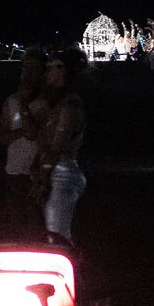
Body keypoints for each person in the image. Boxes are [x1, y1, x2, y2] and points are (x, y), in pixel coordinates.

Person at [0, 50, 48, 234]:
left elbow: (32, 133)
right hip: (14, 172)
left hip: (37, 174)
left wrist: (23, 106)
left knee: (38, 226)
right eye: (25, 68)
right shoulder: (12, 101)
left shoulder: (47, 103)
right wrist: (20, 132)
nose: (27, 73)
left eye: (33, 68)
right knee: (17, 227)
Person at [36, 49, 89, 244]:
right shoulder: (57, 103)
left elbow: (57, 145)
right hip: (56, 172)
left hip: (62, 174)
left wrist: (43, 174)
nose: (50, 72)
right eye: (48, 67)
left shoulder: (69, 106)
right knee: (52, 232)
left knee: (57, 233)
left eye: (56, 67)